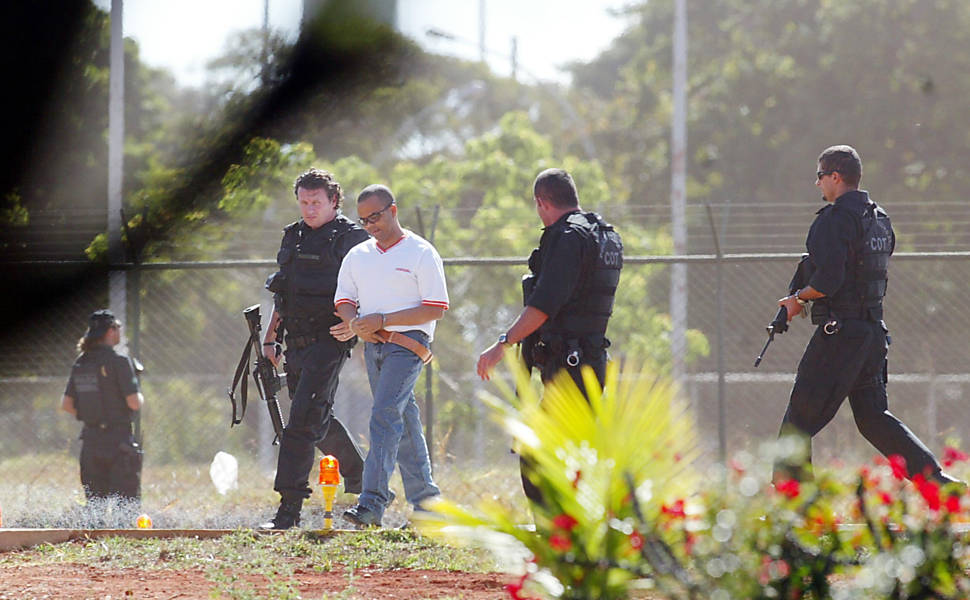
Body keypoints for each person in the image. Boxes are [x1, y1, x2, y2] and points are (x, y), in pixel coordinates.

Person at [773, 145, 959, 485]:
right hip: (871, 333)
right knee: (873, 417)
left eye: (820, 176)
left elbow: (829, 280)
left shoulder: (834, 221)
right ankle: (937, 483)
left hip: (839, 333)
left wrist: (797, 298)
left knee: (798, 420)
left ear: (835, 177)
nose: (818, 184)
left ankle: (793, 504)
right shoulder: (879, 218)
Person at [476, 168, 623, 503]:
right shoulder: (604, 235)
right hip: (589, 360)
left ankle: (559, 536)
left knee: (537, 454)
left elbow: (544, 305)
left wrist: (503, 344)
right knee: (571, 456)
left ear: (541, 202)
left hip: (571, 365)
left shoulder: (568, 237)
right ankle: (574, 532)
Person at [258, 168, 370, 530]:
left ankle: (289, 507)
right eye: (304, 202)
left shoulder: (351, 238)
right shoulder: (294, 236)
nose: (309, 209)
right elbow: (283, 292)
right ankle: (362, 478)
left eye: (316, 203)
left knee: (301, 422)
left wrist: (356, 322)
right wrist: (271, 337)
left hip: (330, 339)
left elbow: (369, 286)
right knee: (316, 420)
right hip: (295, 341)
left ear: (334, 201)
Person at [331, 184, 447, 527]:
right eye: (364, 220)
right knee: (404, 420)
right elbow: (343, 299)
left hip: (408, 345)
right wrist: (355, 322)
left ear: (393, 211)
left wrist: (382, 320)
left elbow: (435, 309)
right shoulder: (358, 255)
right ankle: (427, 501)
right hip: (374, 347)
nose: (370, 226)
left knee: (383, 416)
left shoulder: (421, 252)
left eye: (376, 217)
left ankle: (371, 504)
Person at [61, 309, 144, 505]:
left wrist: (92, 416)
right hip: (119, 441)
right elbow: (134, 402)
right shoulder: (120, 362)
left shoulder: (81, 363)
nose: (119, 331)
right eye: (117, 327)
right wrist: (138, 393)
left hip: (91, 440)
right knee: (126, 505)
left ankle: (94, 535)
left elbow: (66, 404)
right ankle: (123, 535)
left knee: (95, 504)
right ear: (110, 331)